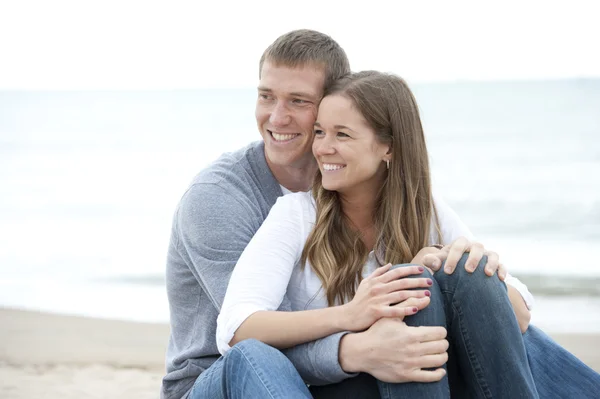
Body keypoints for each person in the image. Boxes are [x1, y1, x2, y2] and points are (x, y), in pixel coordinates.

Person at [162, 29, 599, 399]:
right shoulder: (228, 201)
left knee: (450, 282)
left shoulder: (407, 200)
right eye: (266, 96)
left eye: (299, 102)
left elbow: (514, 318)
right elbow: (243, 338)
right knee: (265, 352)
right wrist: (353, 339)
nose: (278, 117)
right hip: (226, 377)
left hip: (354, 370)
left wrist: (477, 270)